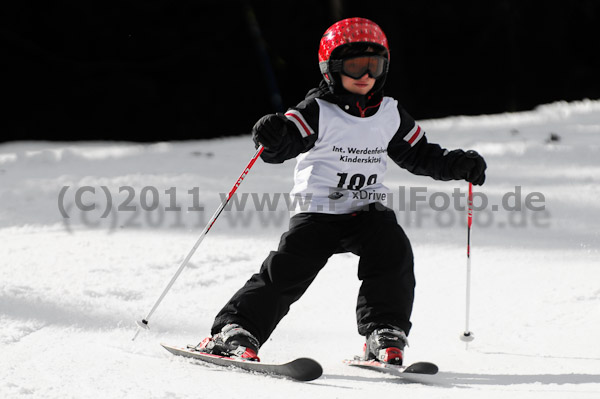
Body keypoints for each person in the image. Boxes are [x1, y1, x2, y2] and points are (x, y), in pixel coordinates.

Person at [195, 17, 486, 364]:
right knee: (286, 271)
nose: (366, 75)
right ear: (331, 68)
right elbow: (285, 142)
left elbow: (420, 154)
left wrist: (457, 164)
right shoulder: (318, 111)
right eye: (355, 66)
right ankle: (237, 331)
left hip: (367, 210)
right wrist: (273, 135)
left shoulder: (390, 113)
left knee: (393, 251)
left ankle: (384, 332)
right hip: (318, 211)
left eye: (374, 66)